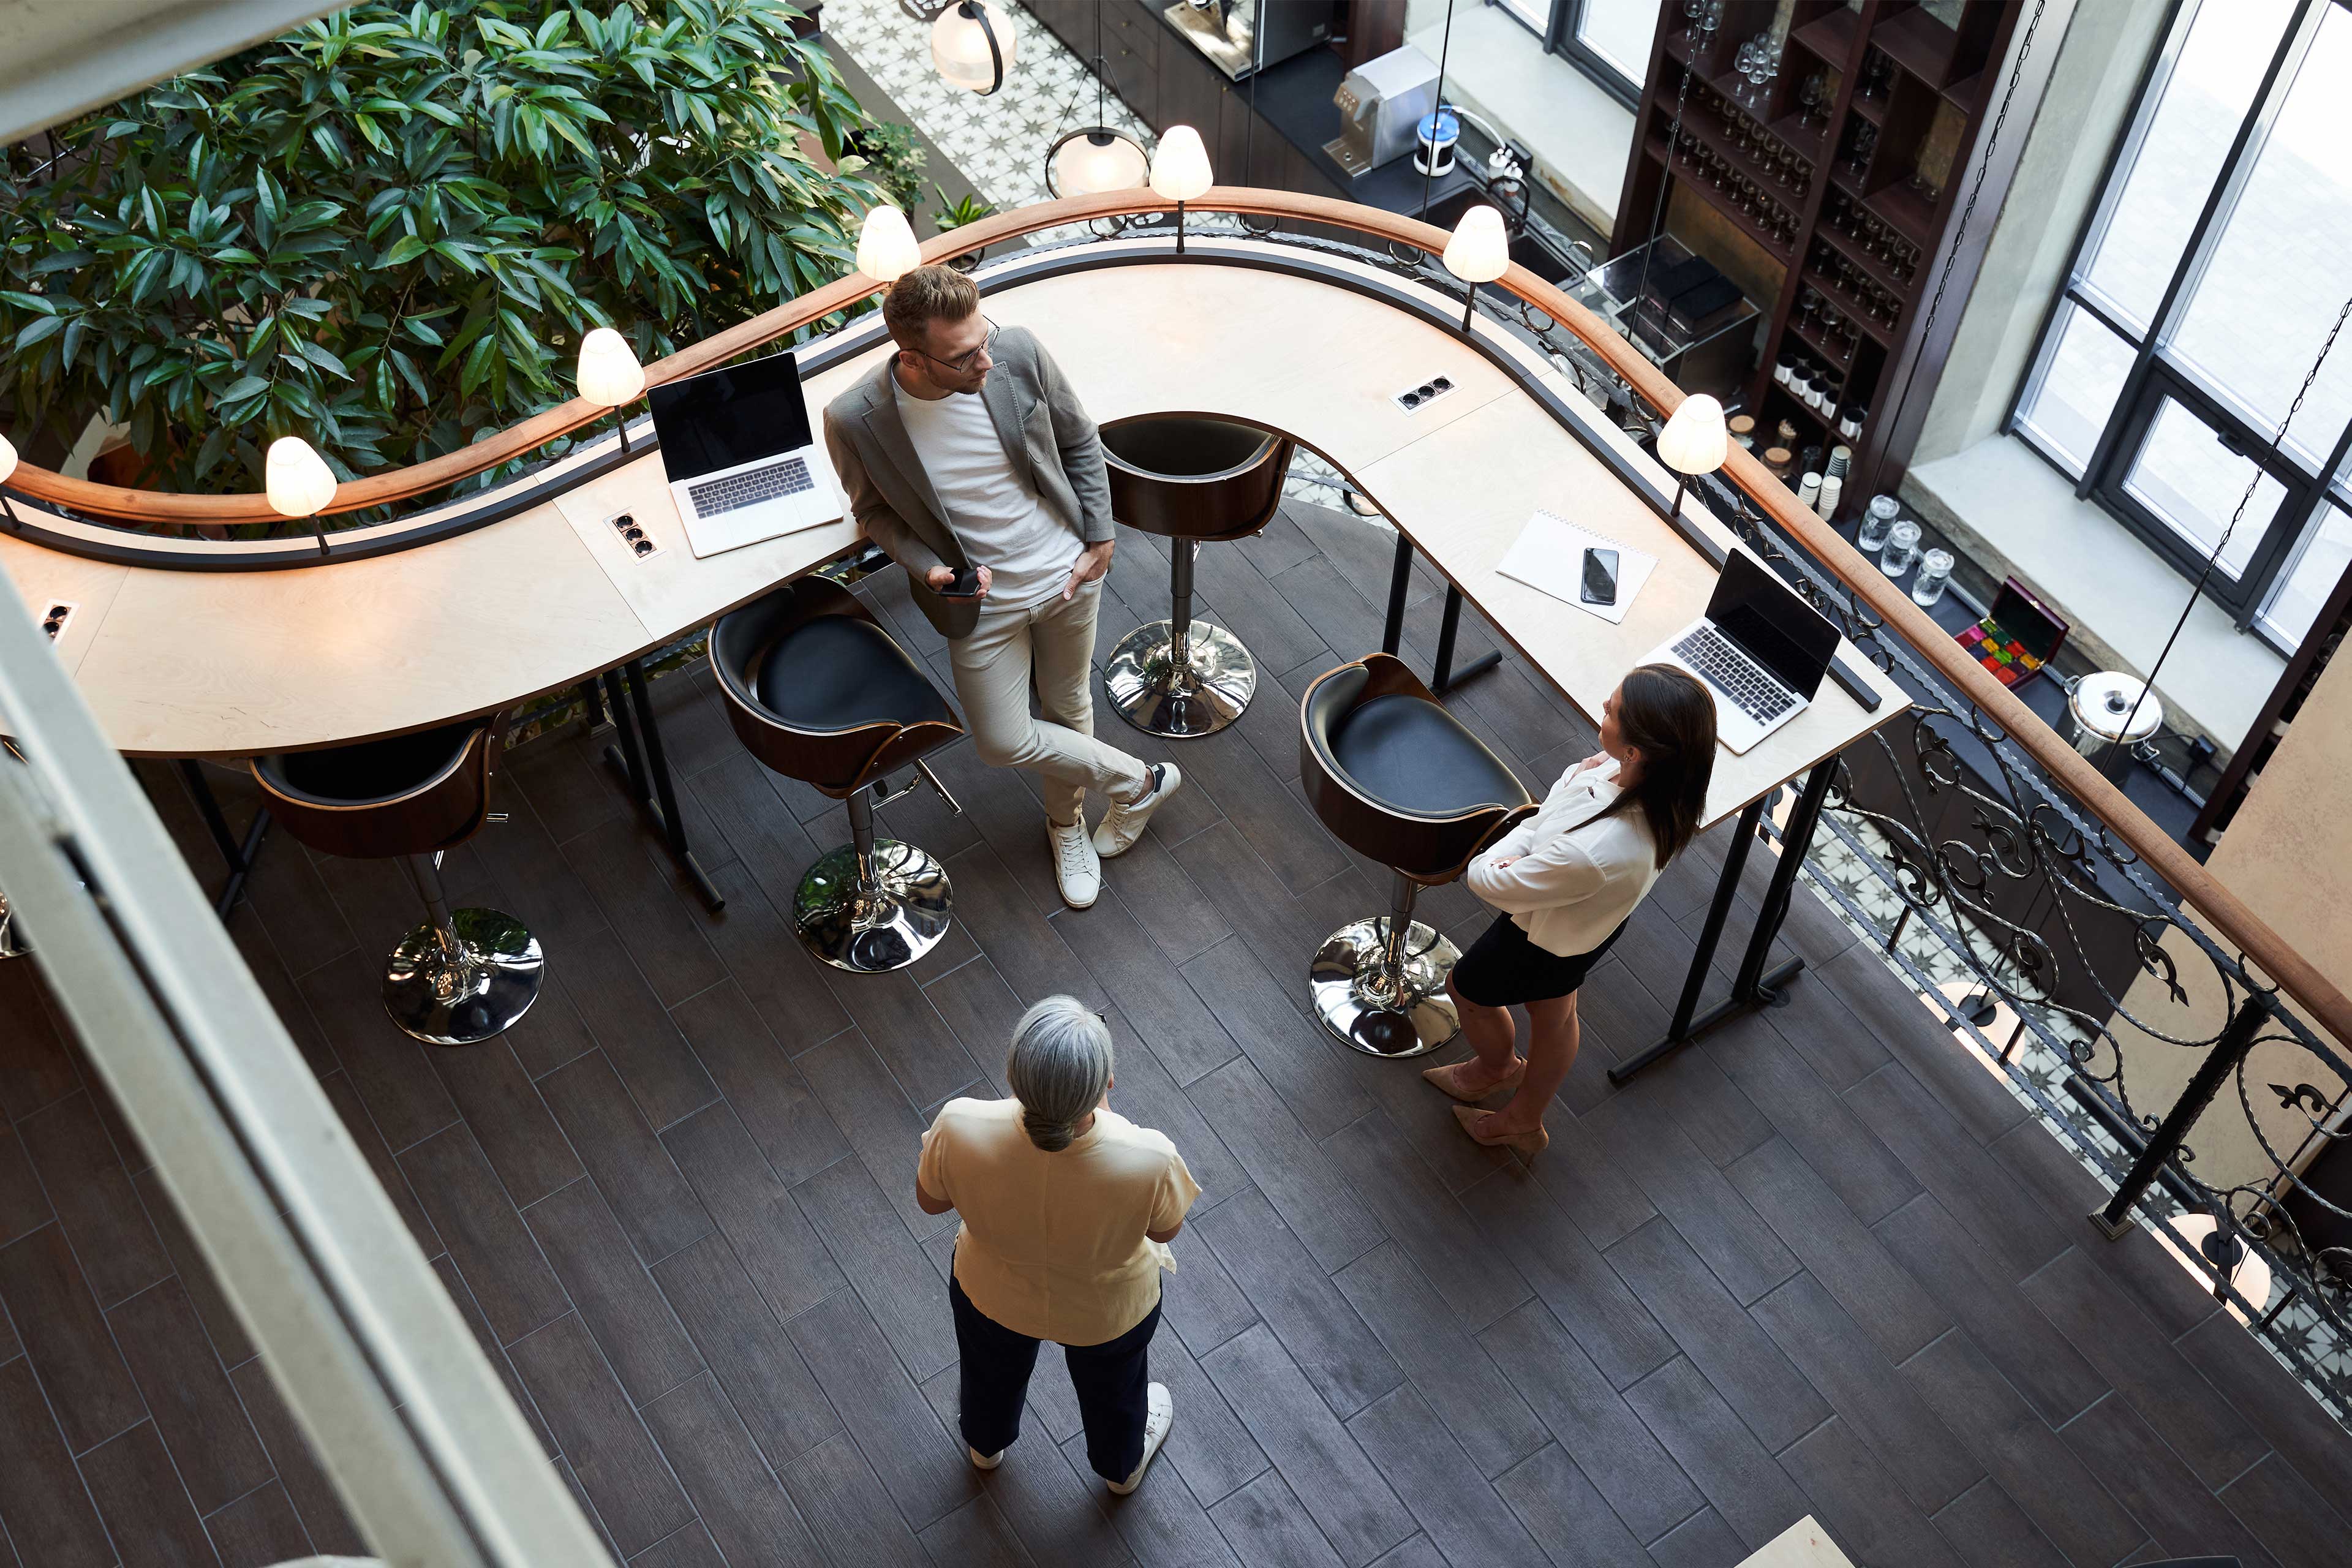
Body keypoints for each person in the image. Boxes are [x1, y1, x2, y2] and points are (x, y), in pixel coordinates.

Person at [823, 263, 1182, 910]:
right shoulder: (856, 418)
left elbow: (1078, 438)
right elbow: (872, 511)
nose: (986, 361)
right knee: (1001, 739)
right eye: (964, 357)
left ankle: (1066, 823)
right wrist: (928, 566)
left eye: (983, 337)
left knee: (1069, 704)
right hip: (979, 602)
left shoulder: (1013, 348)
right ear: (913, 357)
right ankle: (1140, 781)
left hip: (1067, 570)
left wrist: (1099, 538)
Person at [1424, 664, 1717, 1152]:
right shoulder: (1665, 788)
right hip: (1585, 925)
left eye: (1614, 709)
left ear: (1636, 751)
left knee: (1467, 988)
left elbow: (1487, 878)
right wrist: (1551, 816)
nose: (1604, 705)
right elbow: (1567, 795)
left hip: (1540, 938)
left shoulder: (1596, 847)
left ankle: (1498, 1071)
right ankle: (1524, 1115)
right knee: (1557, 1011)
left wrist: (1528, 837)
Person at [916, 996, 1200, 1494]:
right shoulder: (1149, 1156)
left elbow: (931, 1202)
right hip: (1107, 1313)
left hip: (991, 1294)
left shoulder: (959, 1123)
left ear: (1013, 1074)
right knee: (1115, 1393)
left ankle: (985, 1444)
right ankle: (1120, 1470)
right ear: (1107, 1083)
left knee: (987, 1373)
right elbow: (1164, 1230)